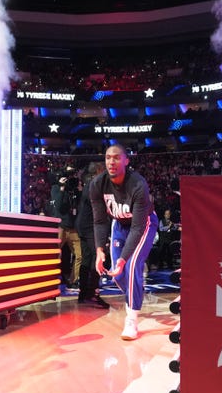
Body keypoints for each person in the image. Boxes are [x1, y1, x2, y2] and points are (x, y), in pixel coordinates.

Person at [90, 145, 158, 340]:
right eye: (108, 158)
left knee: (131, 266)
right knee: (117, 276)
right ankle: (136, 290)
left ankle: (131, 320)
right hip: (118, 225)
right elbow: (99, 220)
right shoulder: (97, 184)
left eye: (117, 158)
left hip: (143, 225)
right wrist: (99, 249)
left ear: (126, 161)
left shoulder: (138, 184)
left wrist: (123, 260)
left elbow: (137, 228)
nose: (112, 162)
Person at [75, 161, 109, 308]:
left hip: (82, 225)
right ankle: (92, 294)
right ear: (99, 171)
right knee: (99, 256)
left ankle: (83, 294)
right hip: (89, 226)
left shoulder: (88, 183)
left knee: (87, 258)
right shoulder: (95, 184)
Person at [51, 166, 82, 288]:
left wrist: (79, 189)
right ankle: (50, 279)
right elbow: (58, 206)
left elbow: (81, 204)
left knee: (80, 255)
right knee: (55, 254)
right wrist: (62, 188)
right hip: (61, 227)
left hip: (73, 228)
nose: (70, 177)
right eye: (67, 175)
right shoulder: (56, 188)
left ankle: (73, 280)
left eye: (72, 174)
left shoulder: (75, 189)